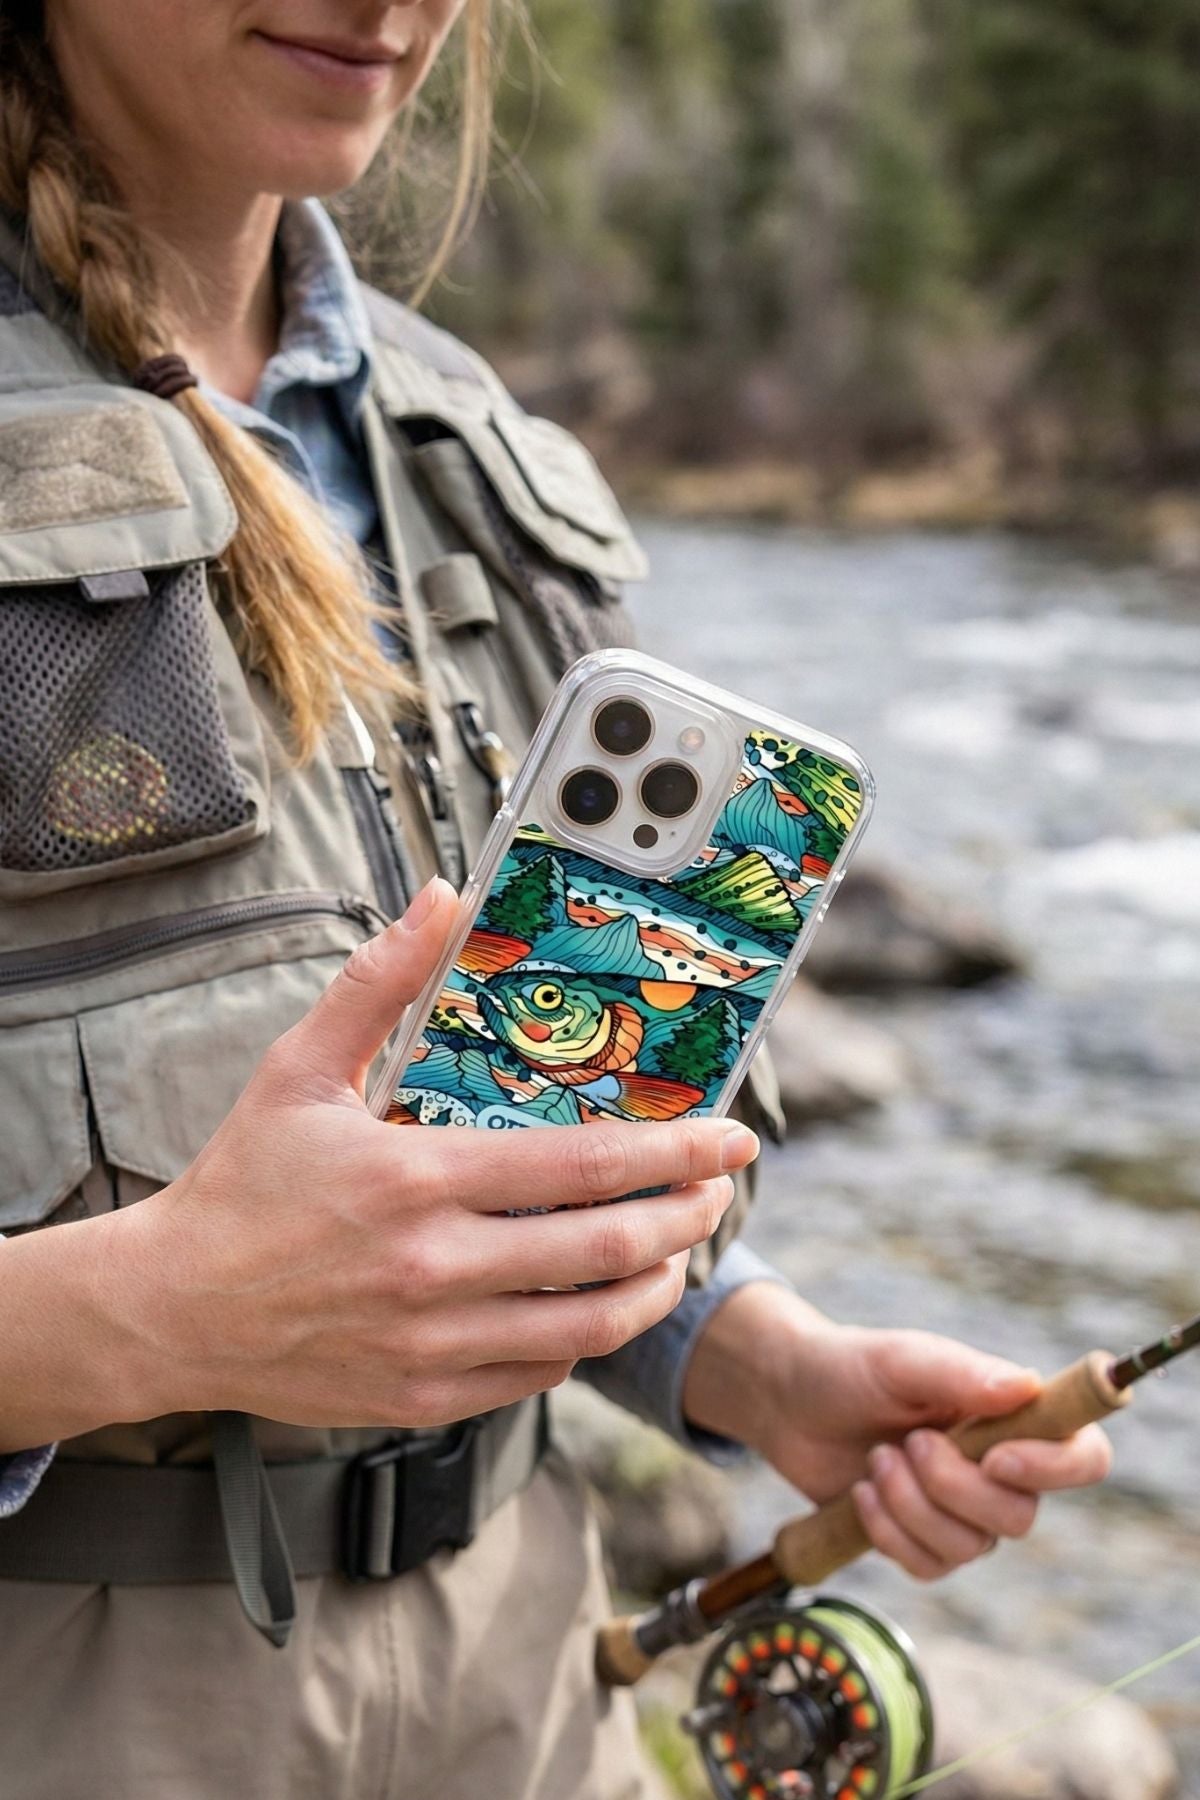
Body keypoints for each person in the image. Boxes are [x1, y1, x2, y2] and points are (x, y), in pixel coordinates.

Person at [0, 4, 1111, 1796]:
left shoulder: (465, 436)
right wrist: (146, 1313)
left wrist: (756, 1364)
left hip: (528, 1677)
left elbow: (495, 1124)